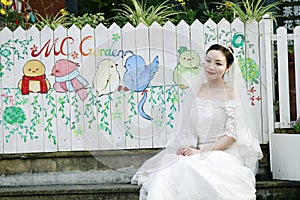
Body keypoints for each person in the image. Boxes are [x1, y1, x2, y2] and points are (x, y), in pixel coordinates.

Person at [131, 44, 263, 200]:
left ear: (227, 68)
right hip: (197, 150)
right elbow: (190, 126)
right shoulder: (197, 90)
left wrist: (203, 152)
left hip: (223, 153)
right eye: (208, 60)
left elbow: (232, 135)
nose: (211, 67)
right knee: (172, 164)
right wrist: (187, 147)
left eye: (218, 63)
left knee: (188, 167)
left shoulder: (230, 94)